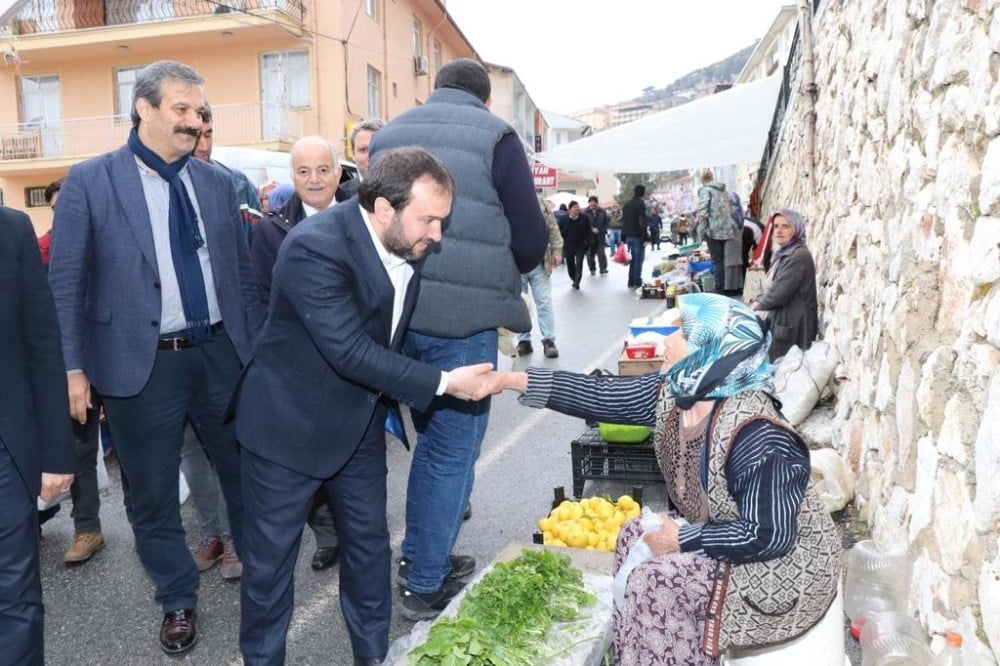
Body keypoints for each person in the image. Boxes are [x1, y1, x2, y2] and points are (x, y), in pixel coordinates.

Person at [234, 147, 495, 666]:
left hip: (355, 427)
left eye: (442, 221)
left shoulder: (407, 244)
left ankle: (373, 658)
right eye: (429, 220)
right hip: (285, 433)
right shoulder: (315, 246)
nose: (436, 235)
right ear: (382, 209)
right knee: (269, 572)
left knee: (370, 554)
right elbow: (350, 351)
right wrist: (444, 382)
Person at [483, 293, 840, 664]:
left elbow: (769, 535)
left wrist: (684, 537)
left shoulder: (759, 437)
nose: (666, 343)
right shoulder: (677, 392)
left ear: (715, 350)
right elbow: (601, 394)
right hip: (729, 533)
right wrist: (511, 380)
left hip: (782, 571)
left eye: (682, 333)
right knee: (629, 536)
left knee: (655, 583)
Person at [47, 60, 265, 654]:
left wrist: (256, 353)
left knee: (247, 473)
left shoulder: (217, 183)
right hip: (138, 365)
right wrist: (71, 368)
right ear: (144, 109)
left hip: (221, 353)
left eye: (201, 112)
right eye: (182, 110)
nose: (195, 122)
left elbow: (241, 276)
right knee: (149, 493)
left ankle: (264, 579)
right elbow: (64, 284)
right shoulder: (91, 181)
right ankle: (176, 597)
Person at [370, 57, 548, 620]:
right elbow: (529, 233)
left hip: (399, 317)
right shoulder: (497, 136)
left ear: (435, 91)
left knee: (431, 446)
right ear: (484, 100)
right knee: (450, 454)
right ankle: (424, 580)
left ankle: (428, 555)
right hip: (464, 321)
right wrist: (511, 268)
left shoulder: (390, 132)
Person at [249, 135, 355, 572]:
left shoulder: (364, 220)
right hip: (296, 371)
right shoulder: (271, 230)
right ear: (291, 178)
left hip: (353, 366)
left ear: (338, 174)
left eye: (323, 169)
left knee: (351, 458)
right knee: (309, 463)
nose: (314, 180)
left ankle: (357, 533)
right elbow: (259, 299)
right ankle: (328, 535)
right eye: (304, 171)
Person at [179, 101, 265, 580]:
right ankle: (212, 531)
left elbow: (248, 267)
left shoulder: (235, 186)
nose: (204, 144)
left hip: (224, 342)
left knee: (229, 448)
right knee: (190, 450)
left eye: (209, 133)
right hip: (173, 351)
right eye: (195, 134)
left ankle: (236, 538)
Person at [0, 205, 75, 666]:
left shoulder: (11, 229)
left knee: (15, 596)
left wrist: (57, 452)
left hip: (6, 455)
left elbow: (43, 345)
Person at [749, 208, 818, 361]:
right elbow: (771, 285)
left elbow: (778, 294)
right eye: (776, 226)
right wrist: (758, 299)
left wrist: (756, 306)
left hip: (794, 325)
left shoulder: (798, 256)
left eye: (785, 226)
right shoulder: (784, 253)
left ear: (796, 228)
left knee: (785, 370)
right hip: (784, 321)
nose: (779, 231)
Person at [516, 194, 563, 358]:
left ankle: (549, 340)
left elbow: (553, 228)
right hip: (516, 263)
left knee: (543, 302)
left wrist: (557, 251)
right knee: (520, 303)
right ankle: (524, 341)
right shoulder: (506, 199)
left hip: (540, 262)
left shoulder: (541, 203)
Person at [696, 169, 735, 294]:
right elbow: (731, 208)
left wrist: (701, 231)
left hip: (713, 230)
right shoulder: (723, 190)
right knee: (722, 260)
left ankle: (719, 289)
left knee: (717, 261)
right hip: (726, 229)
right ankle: (722, 287)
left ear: (702, 180)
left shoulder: (705, 190)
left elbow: (703, 212)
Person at [621, 184, 648, 288]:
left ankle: (630, 280)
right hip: (638, 235)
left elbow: (624, 221)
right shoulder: (640, 204)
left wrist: (623, 237)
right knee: (639, 259)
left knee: (633, 258)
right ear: (643, 193)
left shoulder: (627, 204)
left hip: (628, 235)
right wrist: (645, 237)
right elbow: (642, 221)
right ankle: (637, 280)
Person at [561, 200, 591, 290]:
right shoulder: (564, 219)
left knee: (579, 263)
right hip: (568, 245)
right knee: (570, 264)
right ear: (569, 210)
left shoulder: (584, 218)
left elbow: (588, 232)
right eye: (574, 207)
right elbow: (559, 232)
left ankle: (577, 281)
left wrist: (586, 242)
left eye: (578, 207)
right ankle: (573, 278)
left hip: (580, 245)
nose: (577, 209)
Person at [583, 195, 609, 275]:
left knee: (601, 254)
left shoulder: (602, 212)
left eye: (594, 202)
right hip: (589, 237)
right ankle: (592, 268)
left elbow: (606, 222)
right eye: (591, 202)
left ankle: (603, 268)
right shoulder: (585, 213)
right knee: (590, 255)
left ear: (597, 203)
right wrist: (591, 229)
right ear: (589, 203)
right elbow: (583, 224)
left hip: (600, 236)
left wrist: (603, 230)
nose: (593, 204)